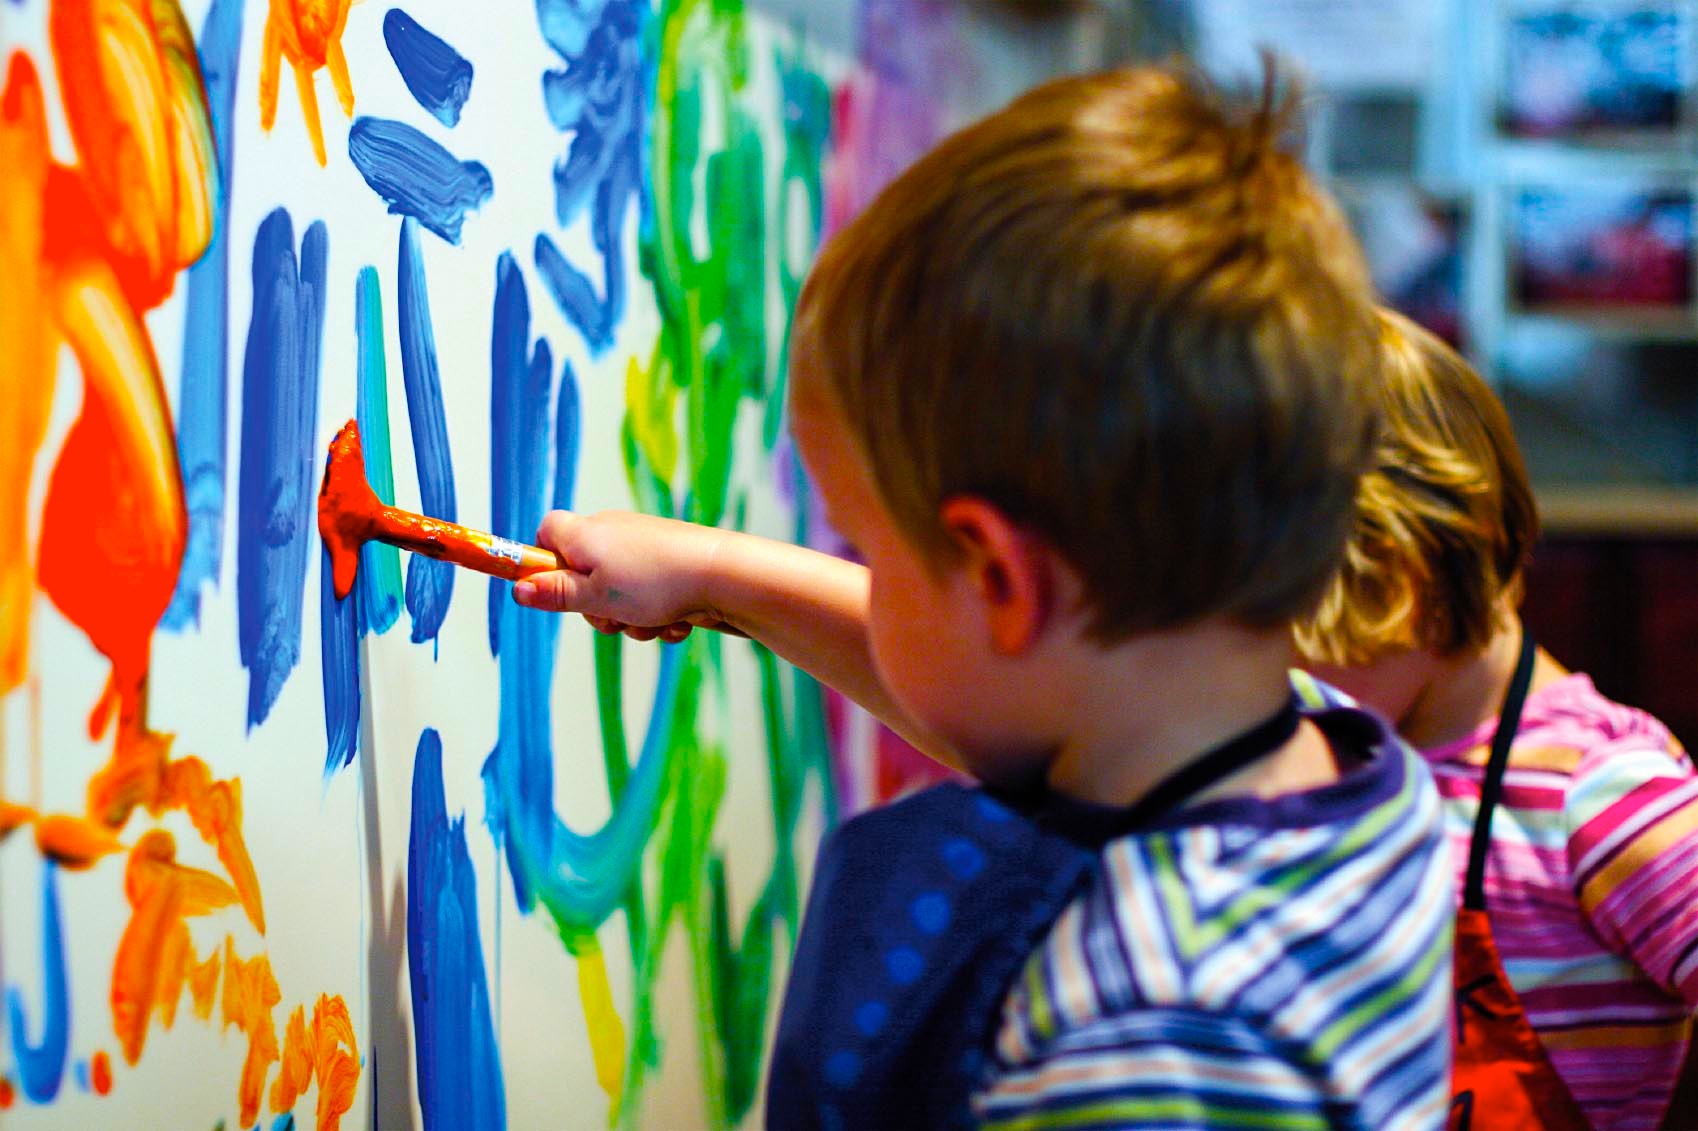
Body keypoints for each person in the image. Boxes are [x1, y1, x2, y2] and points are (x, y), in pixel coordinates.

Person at [516, 63, 1454, 1129]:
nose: (864, 574)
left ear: (1003, 580)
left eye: (866, 545)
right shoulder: (1320, 751)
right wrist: (717, 574)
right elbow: (1006, 687)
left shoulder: (1148, 1042)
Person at [1295, 309, 1698, 1131]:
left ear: (1406, 577)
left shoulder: (1600, 793)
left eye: (1299, 635)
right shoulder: (1347, 756)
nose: (1280, 681)